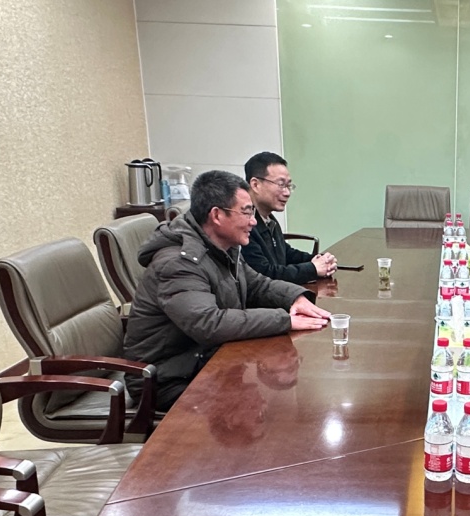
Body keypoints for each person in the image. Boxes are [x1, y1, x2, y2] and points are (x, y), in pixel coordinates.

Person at [123, 170, 331, 410]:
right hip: (164, 381)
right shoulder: (179, 262)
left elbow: (256, 284)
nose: (253, 221)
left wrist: (295, 298)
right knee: (262, 406)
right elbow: (209, 324)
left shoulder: (222, 245)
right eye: (246, 212)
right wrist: (285, 320)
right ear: (217, 215)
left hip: (202, 361)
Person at [242, 151, 336, 284]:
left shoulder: (269, 220)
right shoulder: (244, 224)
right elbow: (265, 274)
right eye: (281, 185)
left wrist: (319, 259)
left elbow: (285, 253)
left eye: (289, 186)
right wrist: (312, 269)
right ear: (255, 184)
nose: (287, 193)